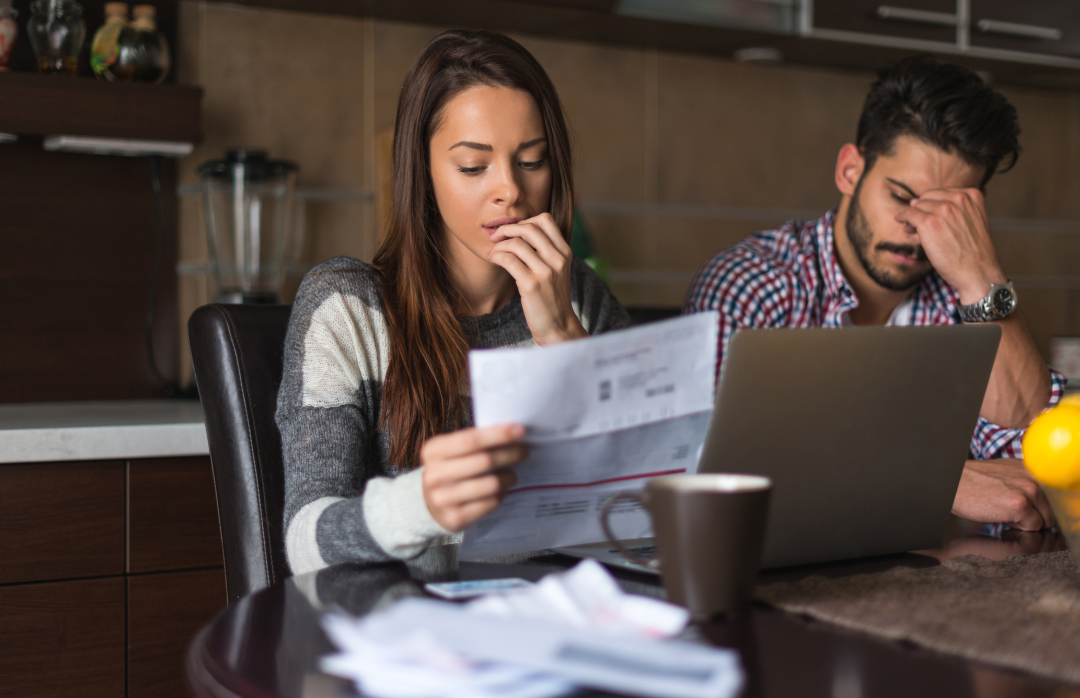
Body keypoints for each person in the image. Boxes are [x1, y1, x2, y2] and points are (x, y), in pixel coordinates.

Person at [277, 30, 630, 573]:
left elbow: (642, 511)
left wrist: (563, 337)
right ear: (423, 173)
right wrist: (420, 505)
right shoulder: (348, 308)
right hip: (409, 633)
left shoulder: (580, 297)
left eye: (532, 161)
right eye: (473, 166)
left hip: (555, 623)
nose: (509, 190)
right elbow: (305, 544)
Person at [685, 56, 1063, 532]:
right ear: (849, 170)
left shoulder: (963, 301)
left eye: (946, 211)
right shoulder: (754, 283)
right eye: (903, 197)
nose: (916, 229)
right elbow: (712, 479)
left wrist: (981, 277)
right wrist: (940, 481)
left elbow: (1043, 474)